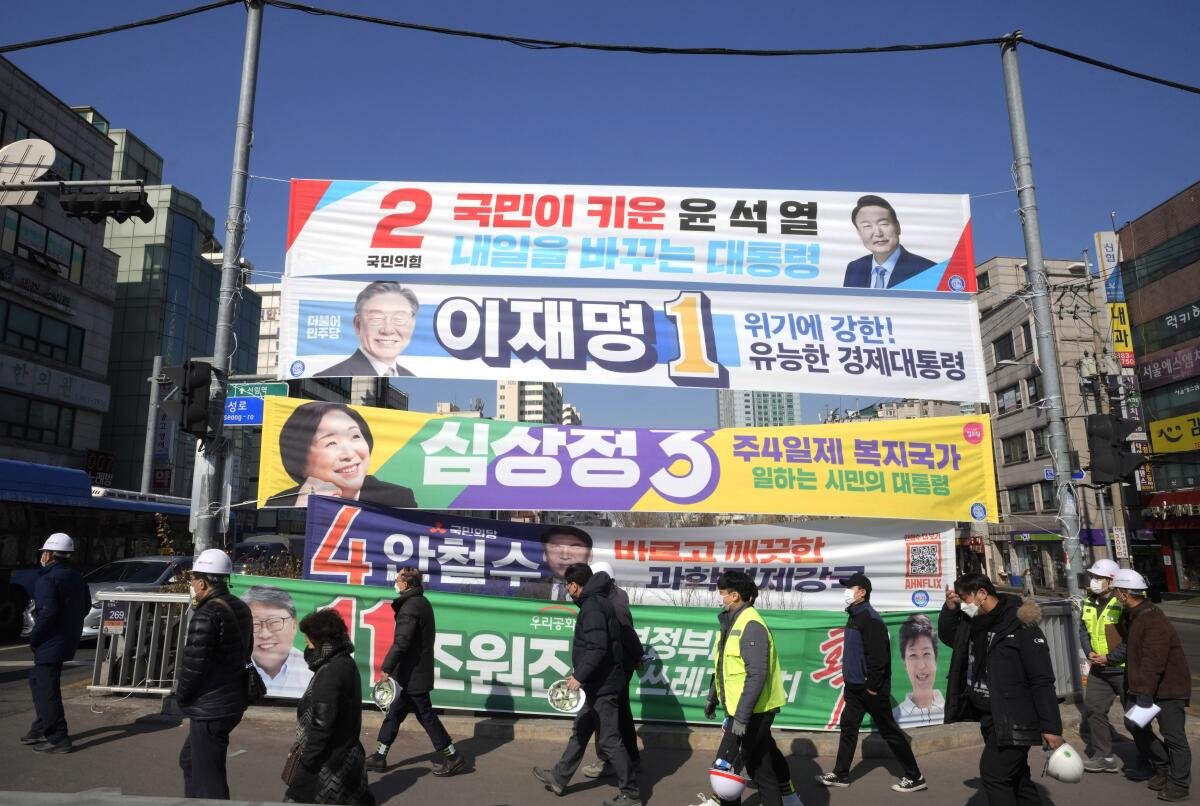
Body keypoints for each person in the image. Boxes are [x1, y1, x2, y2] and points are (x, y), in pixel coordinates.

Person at [940, 573, 1063, 805]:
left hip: (1015, 714)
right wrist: (950, 608)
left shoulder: (1020, 624)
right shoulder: (974, 621)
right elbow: (950, 636)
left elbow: (1041, 679)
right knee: (1017, 778)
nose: (963, 605)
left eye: (965, 599)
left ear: (982, 594)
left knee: (994, 775)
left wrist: (1051, 726)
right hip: (990, 716)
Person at [533, 563, 640, 806]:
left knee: (610, 740)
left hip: (601, 685)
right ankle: (559, 778)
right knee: (580, 731)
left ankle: (631, 792)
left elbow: (597, 647)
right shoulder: (599, 601)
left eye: (567, 585)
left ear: (574, 584)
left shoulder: (592, 607)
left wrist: (579, 676)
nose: (567, 590)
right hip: (596, 684)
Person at [816, 572, 926, 793]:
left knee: (889, 732)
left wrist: (873, 688)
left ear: (862, 592)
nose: (846, 592)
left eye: (850, 588)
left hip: (871, 689)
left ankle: (915, 777)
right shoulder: (855, 615)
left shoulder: (870, 618)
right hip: (855, 687)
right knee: (848, 727)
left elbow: (879, 658)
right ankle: (841, 773)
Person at [704, 570, 800, 806]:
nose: (721, 598)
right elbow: (723, 666)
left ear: (735, 595)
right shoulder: (732, 622)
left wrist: (742, 718)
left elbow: (756, 675)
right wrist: (713, 697)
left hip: (752, 712)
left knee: (725, 771)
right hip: (742, 710)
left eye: (723, 594)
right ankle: (789, 800)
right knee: (762, 770)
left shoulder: (751, 625)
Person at [366, 567, 464, 776]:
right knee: (394, 714)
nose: (395, 582)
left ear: (407, 584)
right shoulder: (421, 602)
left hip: (412, 675)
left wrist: (386, 668)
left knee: (426, 716)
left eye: (398, 579)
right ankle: (380, 756)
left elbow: (402, 642)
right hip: (410, 674)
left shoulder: (410, 607)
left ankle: (453, 757)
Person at [175, 548, 254, 800]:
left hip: (211, 707)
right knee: (189, 760)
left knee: (208, 776)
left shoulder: (206, 615)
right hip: (231, 701)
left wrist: (182, 697)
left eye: (193, 578)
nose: (192, 584)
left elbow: (193, 667)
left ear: (203, 581)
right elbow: (247, 649)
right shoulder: (240, 607)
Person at [1113, 568, 1191, 802]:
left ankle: (1179, 784)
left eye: (1118, 591)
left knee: (1174, 736)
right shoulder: (1134, 615)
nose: (1116, 595)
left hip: (1167, 690)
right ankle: (1163, 766)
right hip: (1146, 687)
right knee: (1135, 725)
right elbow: (1130, 647)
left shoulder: (1152, 618)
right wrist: (1108, 658)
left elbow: (1153, 660)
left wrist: (1144, 694)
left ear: (1125, 593)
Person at [284, 608, 375, 805]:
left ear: (320, 642)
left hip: (327, 765)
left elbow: (322, 725)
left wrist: (307, 762)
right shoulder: (344, 663)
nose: (306, 646)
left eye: (308, 641)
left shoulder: (330, 672)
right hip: (347, 760)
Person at [265, 401, 416, 508]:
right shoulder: (281, 503)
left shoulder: (398, 498)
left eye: (355, 436)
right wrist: (302, 510)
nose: (349, 454)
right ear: (300, 461)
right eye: (331, 443)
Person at [22, 532, 90, 754]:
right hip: (66, 639)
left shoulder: (47, 579)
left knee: (47, 690)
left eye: (43, 553)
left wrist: (35, 636)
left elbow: (48, 613)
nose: (42, 556)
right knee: (38, 683)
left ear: (49, 555)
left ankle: (58, 737)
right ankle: (41, 727)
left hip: (49, 642)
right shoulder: (76, 576)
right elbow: (85, 606)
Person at [582, 562, 644, 781]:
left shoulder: (613, 603)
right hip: (619, 662)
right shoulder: (615, 597)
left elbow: (627, 632)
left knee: (606, 714)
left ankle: (611, 761)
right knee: (619, 712)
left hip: (616, 664)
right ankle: (629, 759)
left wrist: (637, 655)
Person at [1077, 559, 1125, 774]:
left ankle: (1153, 758)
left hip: (1123, 668)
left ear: (1111, 581)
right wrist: (1089, 652)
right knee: (1094, 709)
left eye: (1099, 578)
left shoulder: (1123, 602)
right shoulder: (1089, 601)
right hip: (1099, 668)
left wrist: (1111, 657)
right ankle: (1104, 756)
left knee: (1135, 717)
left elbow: (1132, 637)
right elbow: (1083, 630)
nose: (1094, 581)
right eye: (1093, 577)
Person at [316, 281, 419, 377]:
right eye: (376, 318)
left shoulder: (412, 378)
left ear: (412, 325)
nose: (388, 330)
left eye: (399, 319)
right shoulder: (329, 378)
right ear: (357, 325)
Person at [842, 195, 935, 289]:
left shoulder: (928, 270)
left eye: (884, 224)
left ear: (898, 227)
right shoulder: (854, 268)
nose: (878, 233)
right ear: (859, 233)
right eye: (867, 226)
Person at [243, 585, 313, 698]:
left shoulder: (312, 671)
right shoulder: (231, 669)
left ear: (294, 626)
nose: (265, 634)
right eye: (254, 624)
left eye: (275, 623)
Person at [892, 613, 945, 727]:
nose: (921, 666)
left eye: (926, 654)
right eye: (913, 655)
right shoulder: (895, 717)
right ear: (904, 663)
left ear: (935, 659)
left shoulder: (950, 710)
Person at [517, 526, 593, 601]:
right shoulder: (529, 589)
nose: (565, 556)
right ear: (545, 555)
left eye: (575, 547)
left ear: (590, 554)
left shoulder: (600, 589)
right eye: (556, 546)